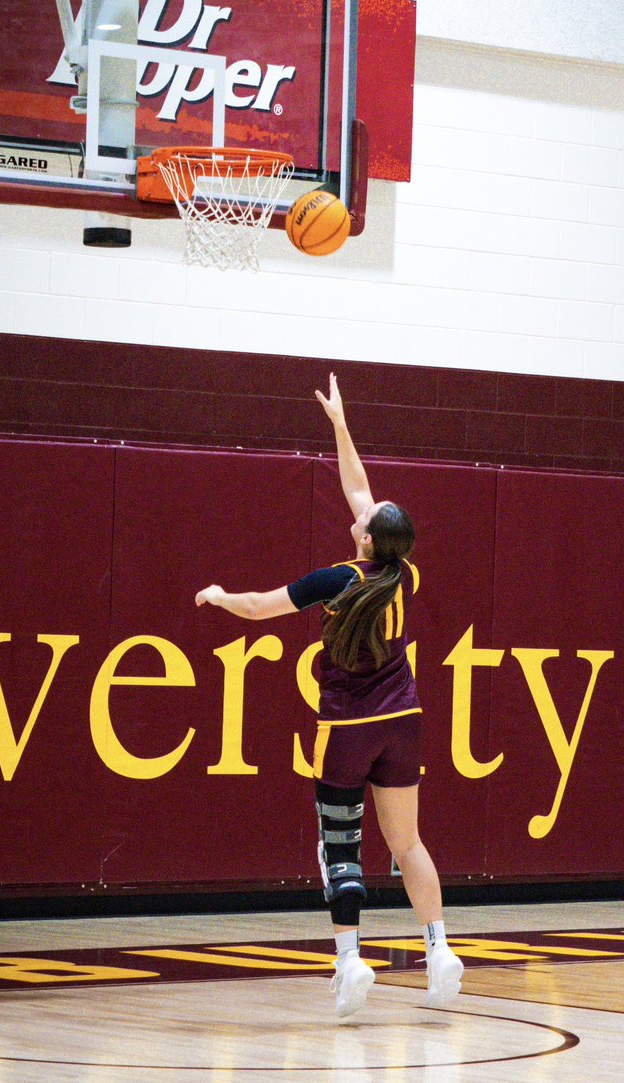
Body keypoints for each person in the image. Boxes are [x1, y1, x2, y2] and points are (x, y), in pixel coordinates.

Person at [196, 374, 464, 1018]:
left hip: (347, 726)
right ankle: (440, 950)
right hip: (403, 720)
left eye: (366, 519)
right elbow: (359, 489)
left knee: (339, 847)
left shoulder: (338, 578)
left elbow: (261, 607)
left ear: (367, 538)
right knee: (408, 845)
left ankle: (349, 961)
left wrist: (219, 597)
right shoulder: (405, 574)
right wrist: (341, 424)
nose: (360, 511)